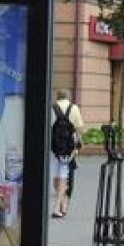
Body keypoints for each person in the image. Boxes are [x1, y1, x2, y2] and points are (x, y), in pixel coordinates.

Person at [50, 89, 84, 219]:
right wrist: (78, 144)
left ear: (57, 97)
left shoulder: (52, 108)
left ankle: (62, 204)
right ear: (68, 97)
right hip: (68, 149)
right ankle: (56, 208)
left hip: (54, 148)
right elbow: (79, 128)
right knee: (64, 178)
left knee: (56, 178)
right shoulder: (74, 108)